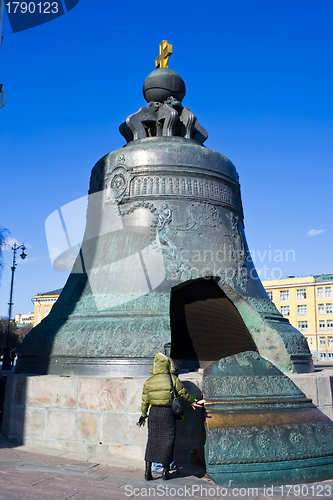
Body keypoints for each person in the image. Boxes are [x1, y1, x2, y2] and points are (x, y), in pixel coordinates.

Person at [137, 352, 205, 481]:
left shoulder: (149, 381)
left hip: (154, 413)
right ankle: (165, 472)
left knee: (152, 440)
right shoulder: (172, 379)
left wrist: (143, 414)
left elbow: (145, 401)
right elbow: (183, 393)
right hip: (167, 413)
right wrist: (193, 401)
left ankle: (147, 472)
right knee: (167, 441)